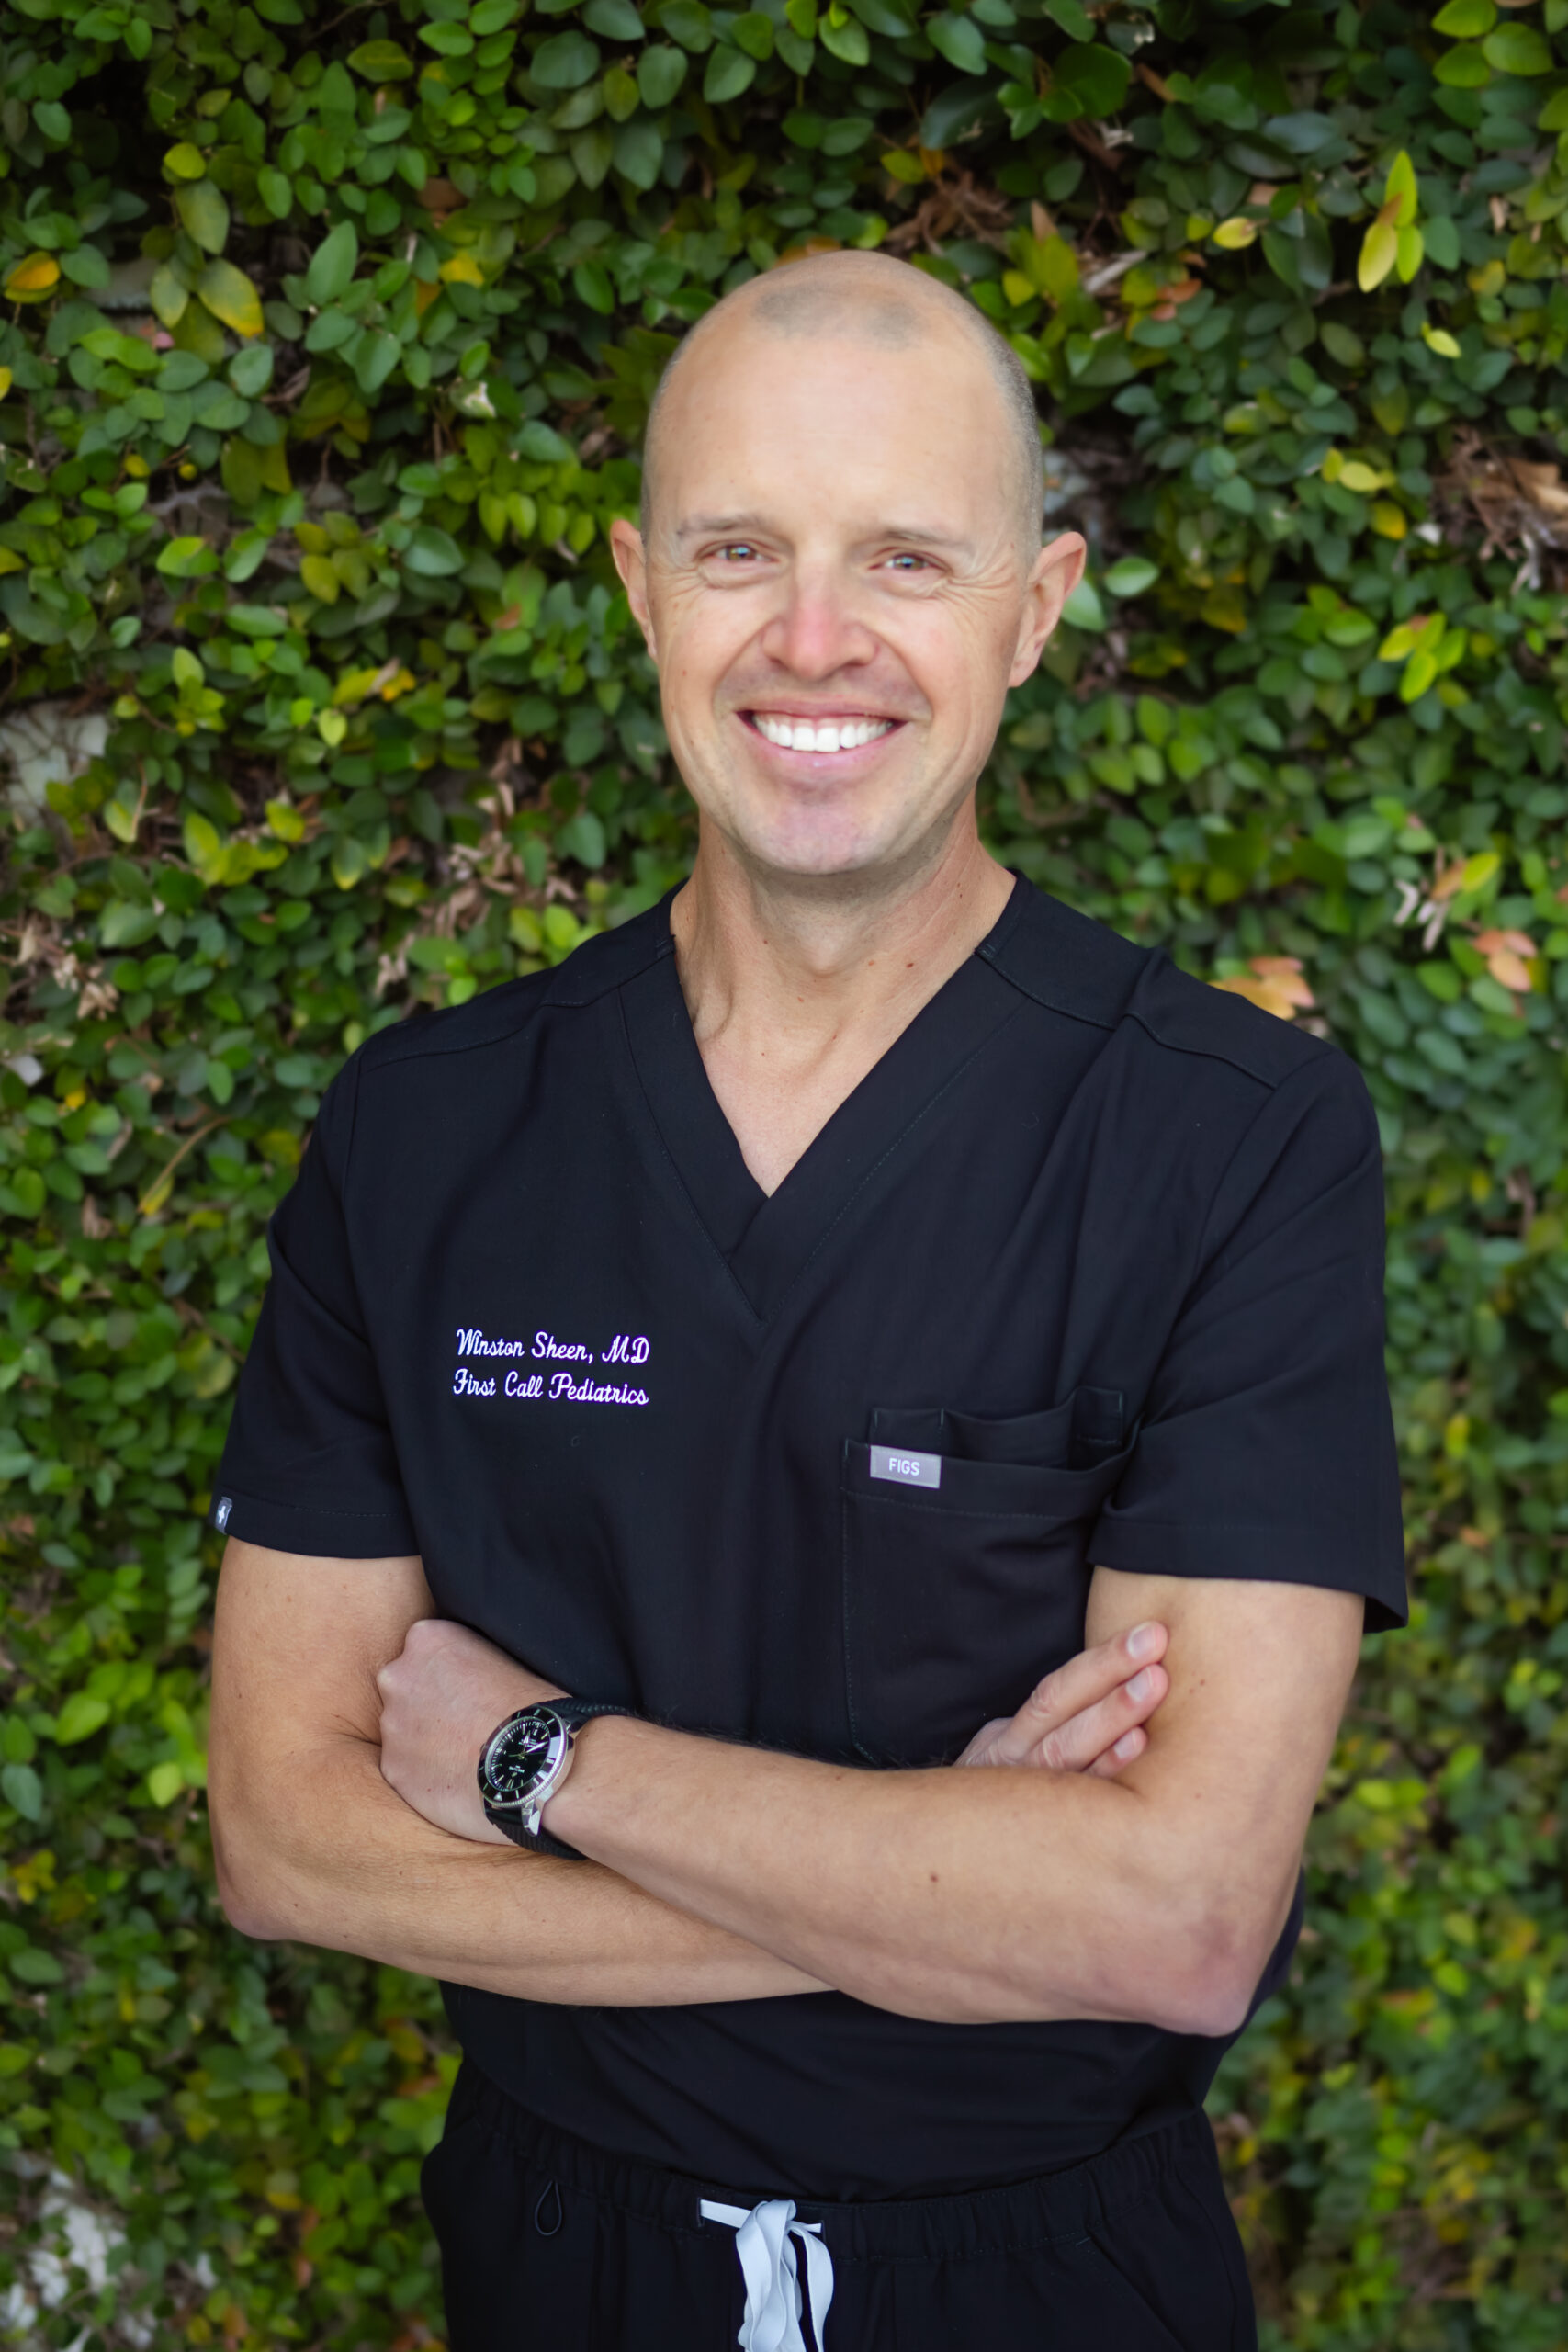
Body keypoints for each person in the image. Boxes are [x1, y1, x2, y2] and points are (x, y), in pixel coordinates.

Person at [207, 250, 1406, 2352]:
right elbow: (290, 1843)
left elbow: (1176, 1916)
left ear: (1031, 610)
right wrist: (956, 1891)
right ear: (639, 587)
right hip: (557, 2270)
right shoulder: (423, 1134)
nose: (815, 638)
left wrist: (533, 1757)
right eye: (739, 549)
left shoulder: (1232, 1138)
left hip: (1050, 2278)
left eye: (905, 558)